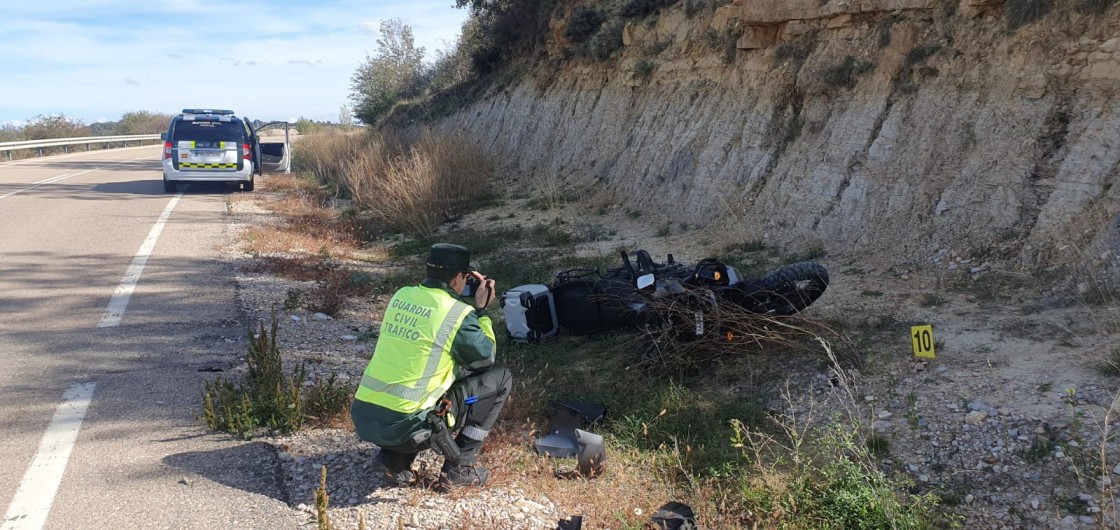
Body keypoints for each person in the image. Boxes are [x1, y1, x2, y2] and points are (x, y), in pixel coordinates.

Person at [350, 243, 512, 487]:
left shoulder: (401, 295)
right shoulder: (456, 313)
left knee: (417, 383)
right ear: (460, 277)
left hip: (366, 417)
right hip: (410, 427)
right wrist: (481, 311)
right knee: (500, 378)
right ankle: (459, 468)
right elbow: (484, 359)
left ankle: (393, 458)